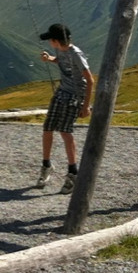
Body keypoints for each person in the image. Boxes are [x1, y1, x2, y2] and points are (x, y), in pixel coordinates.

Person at [36, 23, 94, 194]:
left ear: (55, 41)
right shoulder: (60, 50)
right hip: (62, 92)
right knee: (48, 128)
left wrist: (85, 106)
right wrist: (50, 59)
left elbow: (90, 80)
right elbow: (63, 63)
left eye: (50, 40)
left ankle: (73, 173)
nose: (49, 43)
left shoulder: (76, 54)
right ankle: (46, 165)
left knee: (65, 131)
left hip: (75, 96)